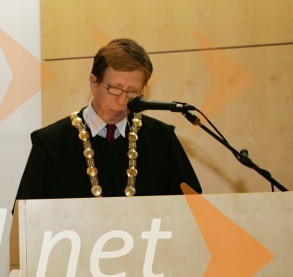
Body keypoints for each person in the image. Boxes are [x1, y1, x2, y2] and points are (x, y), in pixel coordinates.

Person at [16, 38, 202, 200]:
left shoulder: (162, 140)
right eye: (115, 88)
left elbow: (191, 211)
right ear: (93, 82)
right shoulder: (51, 143)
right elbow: (27, 221)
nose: (122, 101)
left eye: (132, 91)